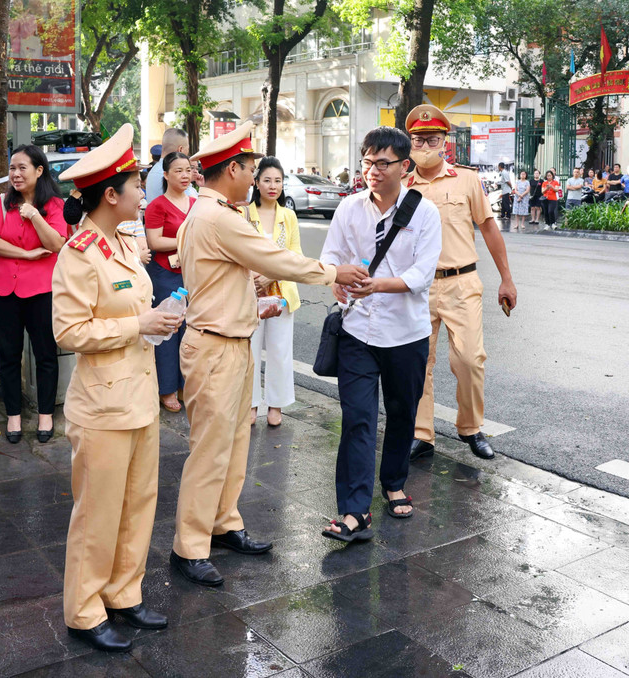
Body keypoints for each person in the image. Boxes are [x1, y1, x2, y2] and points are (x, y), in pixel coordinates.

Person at [169, 120, 368, 586]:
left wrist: (247, 291)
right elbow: (276, 258)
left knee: (235, 442)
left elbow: (224, 275)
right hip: (215, 346)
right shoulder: (219, 217)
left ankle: (224, 523)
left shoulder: (211, 212)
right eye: (250, 169)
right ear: (232, 169)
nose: (254, 178)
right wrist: (334, 272)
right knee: (210, 451)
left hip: (230, 342)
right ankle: (189, 547)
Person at [52, 123, 180, 653]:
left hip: (139, 397)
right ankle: (84, 610)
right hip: (103, 405)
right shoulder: (78, 253)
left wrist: (157, 319)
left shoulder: (125, 242)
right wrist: (138, 325)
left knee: (138, 504)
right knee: (97, 513)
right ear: (110, 195)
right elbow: (68, 332)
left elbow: (135, 309)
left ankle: (124, 593)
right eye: (135, 185)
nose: (142, 193)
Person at [322, 126, 441, 542]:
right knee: (357, 418)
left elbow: (422, 274)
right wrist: (335, 281)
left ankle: (393, 482)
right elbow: (331, 256)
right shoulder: (349, 208)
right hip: (357, 329)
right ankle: (354, 510)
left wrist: (376, 285)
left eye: (383, 163)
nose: (372, 170)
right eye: (367, 161)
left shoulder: (424, 212)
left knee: (402, 411)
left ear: (404, 166)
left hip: (406, 333)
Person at [404, 104, 517, 462]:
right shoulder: (402, 185)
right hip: (417, 288)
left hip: (462, 283)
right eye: (418, 140)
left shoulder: (466, 180)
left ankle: (470, 427)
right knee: (417, 362)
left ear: (445, 142)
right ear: (409, 143)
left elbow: (489, 228)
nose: (425, 146)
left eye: (432, 140)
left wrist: (506, 279)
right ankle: (421, 433)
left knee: (469, 359)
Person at [0, 145, 68, 443]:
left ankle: (46, 415)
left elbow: (56, 244)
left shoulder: (55, 205)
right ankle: (13, 417)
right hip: (2, 289)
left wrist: (34, 215)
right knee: (8, 354)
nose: (15, 174)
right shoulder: (1, 203)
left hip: (42, 290)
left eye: (22, 168)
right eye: (12, 168)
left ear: (39, 170)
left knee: (45, 354)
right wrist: (26, 253)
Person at [243, 156, 301, 428]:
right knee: (250, 351)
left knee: (279, 351)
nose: (273, 186)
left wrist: (270, 275)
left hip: (281, 293)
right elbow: (237, 252)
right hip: (249, 292)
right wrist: (255, 278)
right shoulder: (243, 214)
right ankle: (251, 403)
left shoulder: (288, 216)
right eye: (267, 180)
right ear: (256, 182)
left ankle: (276, 405)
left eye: (278, 181)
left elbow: (295, 255)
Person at [144, 152, 195, 413]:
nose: (185, 175)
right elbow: (155, 242)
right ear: (165, 174)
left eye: (188, 170)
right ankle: (167, 389)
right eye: (178, 171)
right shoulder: (157, 206)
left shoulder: (196, 203)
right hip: (165, 275)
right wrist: (188, 240)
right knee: (168, 330)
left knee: (190, 330)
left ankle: (186, 384)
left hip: (192, 273)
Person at [146, 128, 197, 202]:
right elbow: (189, 204)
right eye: (188, 150)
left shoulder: (154, 171)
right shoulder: (171, 174)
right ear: (180, 150)